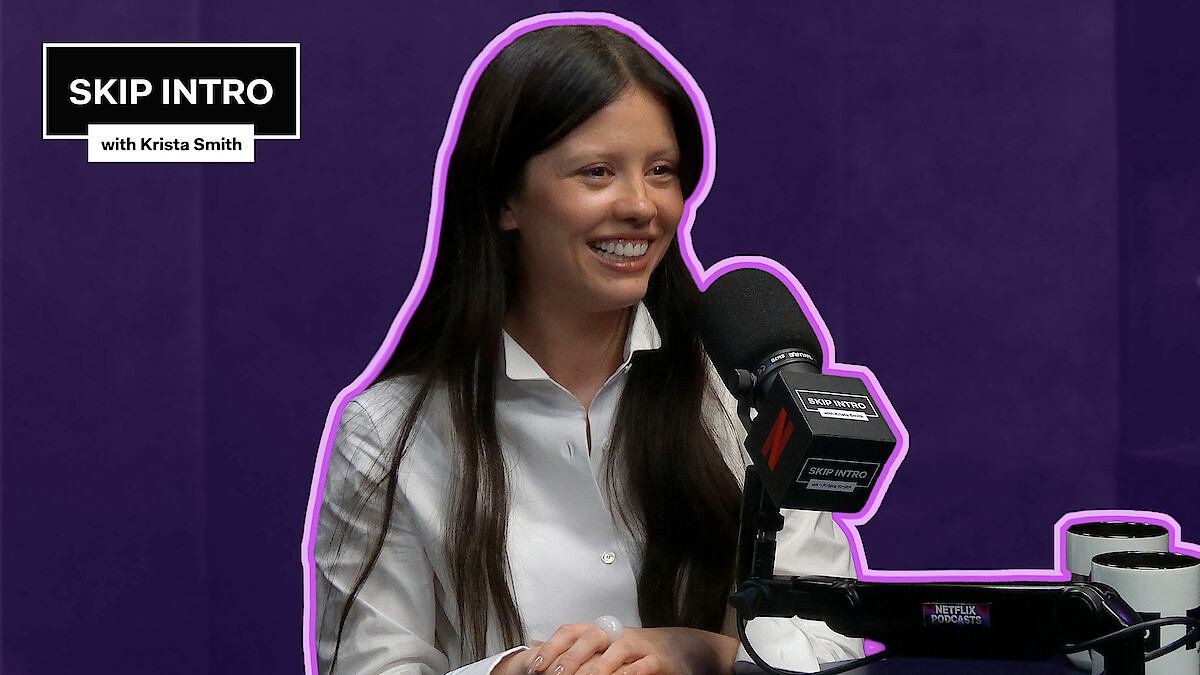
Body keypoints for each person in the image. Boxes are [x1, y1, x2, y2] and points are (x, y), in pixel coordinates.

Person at [313, 20, 863, 675]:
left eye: (661, 171)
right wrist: (511, 670)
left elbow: (836, 644)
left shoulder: (740, 390)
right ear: (505, 199)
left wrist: (703, 650)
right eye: (597, 171)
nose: (640, 204)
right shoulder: (391, 431)